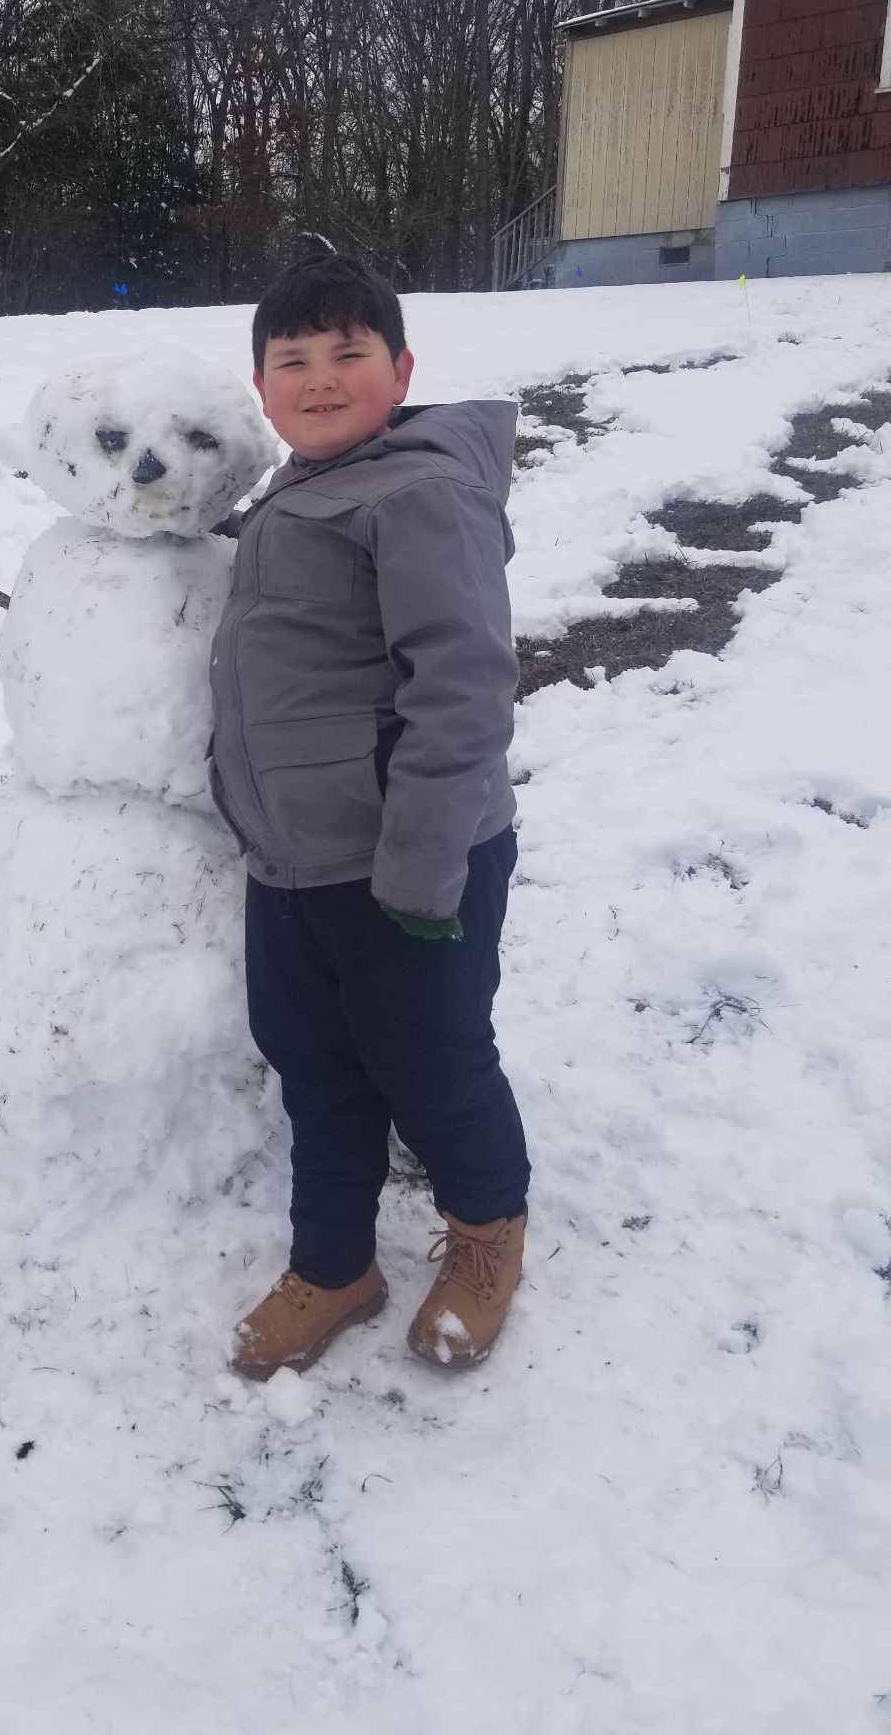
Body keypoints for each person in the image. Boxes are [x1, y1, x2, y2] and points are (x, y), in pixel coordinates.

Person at [208, 246, 530, 1378]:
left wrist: (422, 870)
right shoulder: (303, 491)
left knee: (432, 1063)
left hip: (405, 863)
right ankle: (335, 1263)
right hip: (292, 861)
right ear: (261, 388)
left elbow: (463, 689)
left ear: (402, 369)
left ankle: (488, 1235)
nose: (320, 379)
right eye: (292, 360)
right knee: (315, 1066)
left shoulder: (419, 492)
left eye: (348, 353)